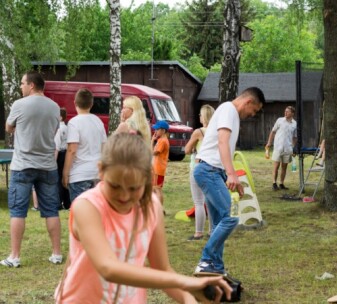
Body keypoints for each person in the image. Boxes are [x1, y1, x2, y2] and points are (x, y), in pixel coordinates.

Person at [54, 133, 232, 303]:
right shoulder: (86, 206)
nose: (124, 196)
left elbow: (162, 269)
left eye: (133, 188)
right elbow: (107, 268)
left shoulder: (151, 207)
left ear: (147, 178)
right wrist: (184, 282)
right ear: (101, 170)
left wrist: (187, 297)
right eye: (115, 186)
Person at [193, 87, 265, 275]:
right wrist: (232, 175)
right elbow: (222, 142)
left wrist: (232, 177)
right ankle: (206, 260)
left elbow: (224, 148)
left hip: (214, 172)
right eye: (254, 110)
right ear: (248, 102)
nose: (252, 115)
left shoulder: (229, 112)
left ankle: (215, 267)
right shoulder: (228, 110)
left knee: (219, 223)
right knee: (231, 217)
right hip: (209, 170)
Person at [2, 71, 62, 267]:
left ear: (32, 85)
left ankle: (15, 256)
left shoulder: (19, 105)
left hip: (23, 165)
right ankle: (56, 253)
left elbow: (8, 128)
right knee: (51, 210)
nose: (21, 87)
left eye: (22, 83)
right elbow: (53, 131)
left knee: (18, 211)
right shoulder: (54, 107)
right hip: (47, 165)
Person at [62, 88, 107, 204]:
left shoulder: (74, 122)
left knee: (80, 215)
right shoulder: (98, 121)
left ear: (75, 103)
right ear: (91, 104)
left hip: (79, 174)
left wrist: (65, 173)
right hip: (97, 172)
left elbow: (72, 149)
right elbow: (104, 148)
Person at [185, 105, 215, 241]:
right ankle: (212, 230)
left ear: (204, 117)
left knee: (199, 202)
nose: (199, 117)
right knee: (210, 201)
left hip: (198, 167)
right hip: (213, 167)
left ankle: (198, 232)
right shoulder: (217, 131)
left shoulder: (199, 132)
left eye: (200, 115)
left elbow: (187, 150)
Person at [265, 106, 297, 190]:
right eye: (285, 111)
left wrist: (293, 148)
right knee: (276, 166)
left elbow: (294, 137)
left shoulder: (294, 123)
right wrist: (269, 142)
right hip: (278, 147)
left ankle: (281, 184)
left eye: (288, 112)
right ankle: (274, 183)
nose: (285, 113)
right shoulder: (279, 120)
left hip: (288, 148)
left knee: (284, 167)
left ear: (292, 113)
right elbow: (273, 132)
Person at [55, 107, 71, 209]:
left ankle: (58, 203)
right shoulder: (67, 128)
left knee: (58, 179)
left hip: (60, 154)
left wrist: (53, 160)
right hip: (66, 153)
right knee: (65, 177)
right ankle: (67, 202)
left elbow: (56, 145)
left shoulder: (58, 129)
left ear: (60, 117)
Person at [151, 120, 170, 188]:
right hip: (156, 169)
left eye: (157, 129)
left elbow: (155, 152)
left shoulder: (163, 141)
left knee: (156, 189)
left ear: (163, 131)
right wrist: (153, 141)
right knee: (154, 189)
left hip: (158, 170)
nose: (155, 131)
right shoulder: (160, 140)